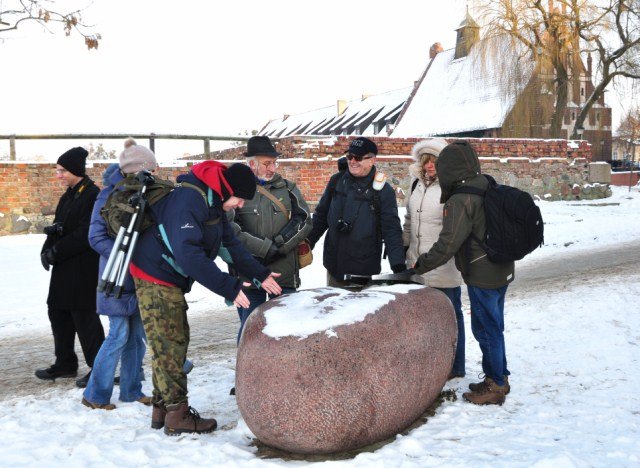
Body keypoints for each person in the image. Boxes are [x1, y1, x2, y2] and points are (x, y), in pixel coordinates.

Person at [130, 160, 282, 435]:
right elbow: (190, 256)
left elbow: (231, 245)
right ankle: (177, 414)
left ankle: (162, 408)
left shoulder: (213, 201)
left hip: (166, 274)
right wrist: (229, 286)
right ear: (228, 189)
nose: (239, 205)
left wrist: (260, 273)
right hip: (155, 274)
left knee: (171, 340)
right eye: (239, 199)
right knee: (170, 341)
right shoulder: (190, 200)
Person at [412, 141, 514, 405]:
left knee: (486, 328)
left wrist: (420, 265)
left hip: (482, 272)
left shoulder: (460, 199)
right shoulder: (484, 183)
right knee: (495, 325)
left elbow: (448, 244)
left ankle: (496, 385)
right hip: (501, 267)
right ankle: (499, 375)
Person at [81, 142, 157, 410]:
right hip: (116, 276)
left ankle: (131, 390)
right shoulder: (108, 196)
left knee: (136, 337)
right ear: (139, 169)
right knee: (118, 335)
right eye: (151, 168)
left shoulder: (146, 193)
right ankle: (95, 395)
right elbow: (95, 237)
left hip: (138, 275)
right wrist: (125, 254)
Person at [36, 147, 106, 388]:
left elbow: (86, 233)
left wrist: (57, 250)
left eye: (62, 170)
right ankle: (65, 363)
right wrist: (47, 248)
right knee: (57, 311)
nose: (59, 175)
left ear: (75, 170)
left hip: (84, 266)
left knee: (84, 316)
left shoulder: (92, 195)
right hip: (64, 267)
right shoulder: (68, 195)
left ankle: (99, 367)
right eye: (58, 170)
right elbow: (58, 227)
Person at [230, 136, 312, 340]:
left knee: (288, 333)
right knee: (250, 333)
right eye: (267, 163)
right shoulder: (236, 191)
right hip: (249, 274)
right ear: (251, 164)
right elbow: (231, 229)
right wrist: (264, 248)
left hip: (283, 274)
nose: (272, 168)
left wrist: (280, 245)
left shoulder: (288, 188)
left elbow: (304, 220)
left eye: (274, 162)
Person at [403, 138, 466, 380]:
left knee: (450, 317)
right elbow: (409, 219)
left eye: (435, 162)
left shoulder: (451, 187)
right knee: (423, 320)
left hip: (443, 264)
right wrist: (403, 246)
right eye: (426, 161)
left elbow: (455, 228)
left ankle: (455, 366)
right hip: (417, 262)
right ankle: (430, 366)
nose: (430, 166)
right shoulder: (415, 185)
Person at [307, 137, 406, 288]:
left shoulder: (383, 191)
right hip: (334, 267)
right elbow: (321, 216)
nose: (352, 161)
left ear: (372, 160)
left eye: (358, 157)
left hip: (363, 272)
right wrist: (307, 242)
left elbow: (391, 230)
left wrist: (398, 265)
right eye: (349, 157)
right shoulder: (337, 181)